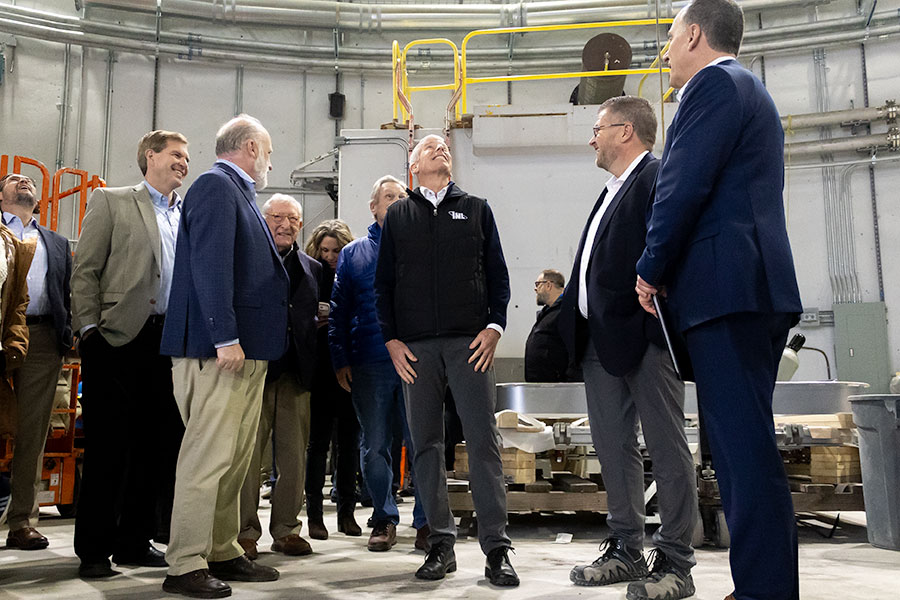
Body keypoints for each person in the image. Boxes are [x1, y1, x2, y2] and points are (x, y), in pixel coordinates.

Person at [634, 2, 802, 599]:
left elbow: (682, 185)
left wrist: (650, 268)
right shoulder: (742, 89)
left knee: (744, 452)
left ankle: (766, 591)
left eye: (673, 39)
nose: (667, 52)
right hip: (737, 290)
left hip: (730, 290)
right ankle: (761, 582)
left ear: (696, 35)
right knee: (736, 452)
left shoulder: (714, 86)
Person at [558, 96, 698, 600]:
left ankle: (677, 561)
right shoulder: (613, 187)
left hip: (643, 336)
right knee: (613, 449)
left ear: (624, 131)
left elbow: (672, 242)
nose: (592, 138)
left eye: (597, 129)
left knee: (665, 447)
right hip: (602, 340)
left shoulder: (655, 176)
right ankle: (626, 549)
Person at [375, 134, 519, 586]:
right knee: (425, 445)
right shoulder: (399, 215)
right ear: (413, 165)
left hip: (470, 345)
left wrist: (495, 327)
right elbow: (383, 287)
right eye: (430, 147)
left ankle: (497, 549)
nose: (441, 149)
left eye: (445, 147)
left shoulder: (476, 208)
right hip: (415, 349)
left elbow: (498, 273)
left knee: (483, 442)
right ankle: (440, 543)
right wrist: (392, 341)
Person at [159, 114, 287, 598]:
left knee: (234, 460)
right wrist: (224, 337)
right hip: (218, 352)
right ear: (251, 147)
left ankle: (221, 547)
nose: (269, 163)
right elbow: (210, 266)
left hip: (244, 351)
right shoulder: (215, 186)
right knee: (206, 458)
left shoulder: (238, 193)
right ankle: (185, 562)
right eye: (268, 153)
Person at [70, 130, 189, 578]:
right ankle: (95, 550)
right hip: (117, 340)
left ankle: (134, 543)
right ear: (150, 156)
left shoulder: (187, 215)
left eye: (187, 157)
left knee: (156, 448)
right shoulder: (112, 201)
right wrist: (88, 331)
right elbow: (86, 271)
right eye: (176, 154)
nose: (183, 162)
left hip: (170, 345)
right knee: (108, 449)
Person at [329, 175, 428, 552]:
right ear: (373, 206)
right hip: (369, 361)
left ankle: (425, 521)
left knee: (422, 442)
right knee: (374, 445)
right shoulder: (354, 254)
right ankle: (384, 518)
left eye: (402, 196)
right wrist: (340, 358)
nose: (397, 200)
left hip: (417, 361)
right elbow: (339, 311)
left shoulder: (422, 247)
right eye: (389, 196)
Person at [237, 194, 321, 560]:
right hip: (253, 371)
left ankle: (287, 530)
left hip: (295, 375)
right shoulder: (247, 261)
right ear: (263, 219)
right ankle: (243, 532)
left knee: (292, 458)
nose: (285, 225)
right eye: (277, 218)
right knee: (247, 457)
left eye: (293, 219)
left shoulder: (313, 268)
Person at [0, 174, 71, 552]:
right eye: (13, 180)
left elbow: (67, 291)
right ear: (0, 196)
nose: (23, 181)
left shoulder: (55, 243)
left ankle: (23, 522)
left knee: (33, 433)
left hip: (42, 338)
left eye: (28, 180)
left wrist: (71, 333)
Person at [303, 219, 361, 540]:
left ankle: (347, 513)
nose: (330, 256)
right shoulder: (311, 278)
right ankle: (314, 515)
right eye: (324, 250)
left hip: (349, 366)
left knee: (349, 443)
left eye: (335, 250)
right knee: (318, 443)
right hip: (319, 370)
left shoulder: (353, 277)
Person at [524, 269, 570, 382]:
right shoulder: (547, 313)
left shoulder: (566, 311)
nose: (535, 289)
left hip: (557, 387)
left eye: (538, 284)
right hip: (542, 386)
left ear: (548, 285)